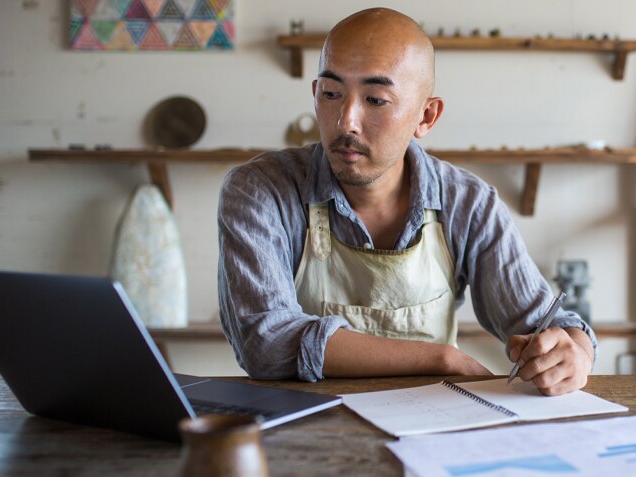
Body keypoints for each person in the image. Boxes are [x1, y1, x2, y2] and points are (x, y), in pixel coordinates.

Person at [217, 8, 595, 395]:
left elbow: (542, 323)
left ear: (426, 116)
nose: (346, 121)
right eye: (331, 94)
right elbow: (265, 341)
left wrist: (573, 352)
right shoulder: (259, 190)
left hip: (430, 432)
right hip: (301, 435)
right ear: (315, 95)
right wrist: (440, 358)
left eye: (376, 100)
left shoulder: (469, 203)